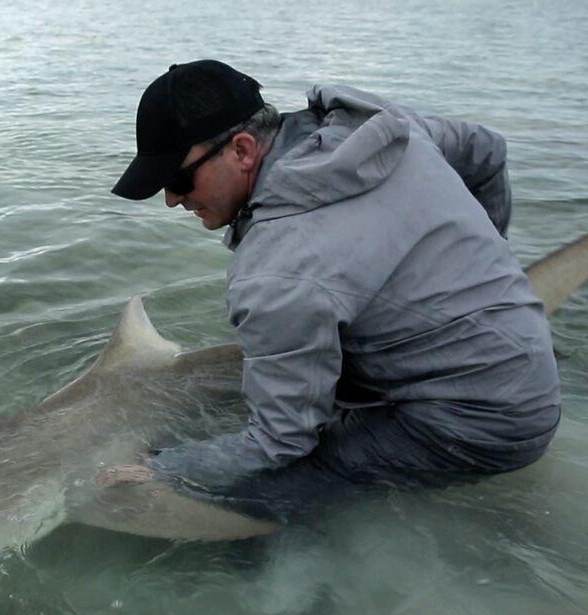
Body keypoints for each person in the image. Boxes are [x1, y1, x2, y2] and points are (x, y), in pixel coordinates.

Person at [101, 60, 561, 523]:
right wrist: (486, 267)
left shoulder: (277, 269)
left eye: (178, 181)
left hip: (484, 424)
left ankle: (302, 588)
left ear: (242, 149)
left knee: (260, 494)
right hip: (522, 353)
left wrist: (165, 468)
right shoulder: (375, 131)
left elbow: (279, 442)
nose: (172, 200)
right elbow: (487, 152)